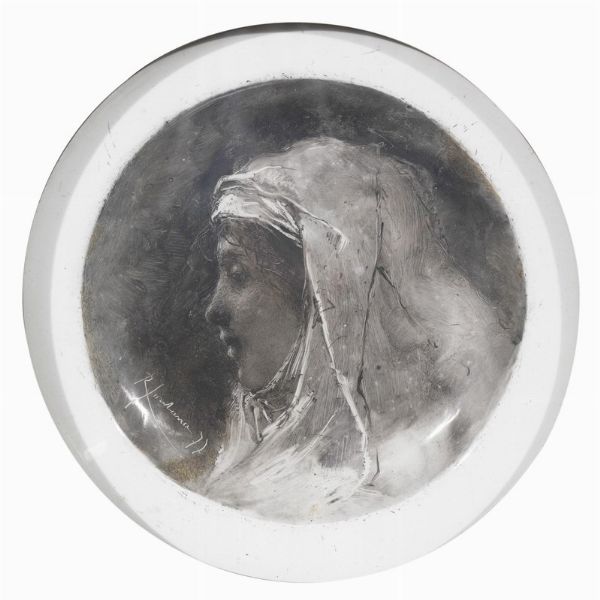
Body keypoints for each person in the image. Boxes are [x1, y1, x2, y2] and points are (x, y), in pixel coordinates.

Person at [200, 137, 517, 521]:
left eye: (238, 274)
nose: (213, 309)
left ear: (323, 293)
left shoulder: (399, 487)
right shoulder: (250, 446)